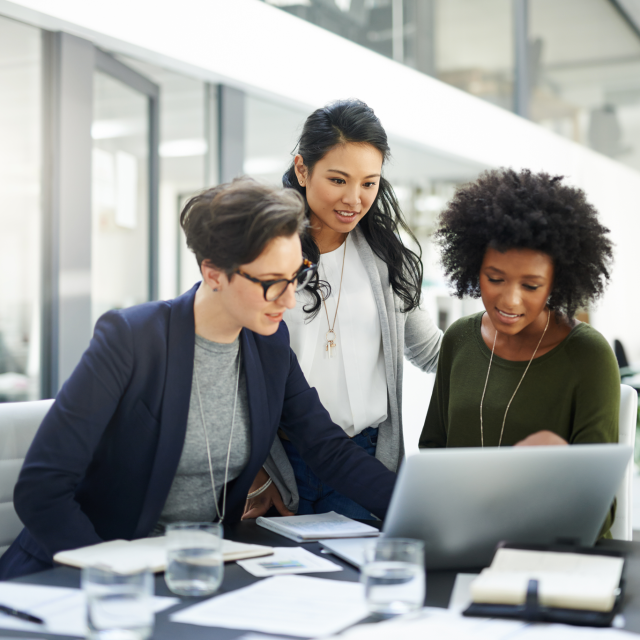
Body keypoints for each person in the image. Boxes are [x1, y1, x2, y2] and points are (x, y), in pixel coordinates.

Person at [0, 178, 397, 579]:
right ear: (214, 273)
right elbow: (41, 488)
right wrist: (115, 577)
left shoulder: (269, 343)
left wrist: (410, 509)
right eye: (273, 282)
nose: (290, 299)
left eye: (297, 277)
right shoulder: (132, 339)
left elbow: (327, 448)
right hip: (87, 573)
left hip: (197, 570)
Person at [244, 100, 442, 520]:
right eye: (338, 179)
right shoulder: (264, 254)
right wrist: (259, 472)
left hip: (366, 460)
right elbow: (234, 369)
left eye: (369, 183)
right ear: (302, 170)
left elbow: (431, 351)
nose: (354, 199)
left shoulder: (388, 258)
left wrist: (514, 338)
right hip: (282, 464)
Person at [419, 168, 619, 535]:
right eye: (495, 279)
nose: (509, 300)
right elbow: (432, 454)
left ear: (557, 283)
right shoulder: (459, 339)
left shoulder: (589, 357)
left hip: (550, 552)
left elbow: (599, 510)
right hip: (461, 540)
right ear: (472, 267)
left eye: (531, 285)